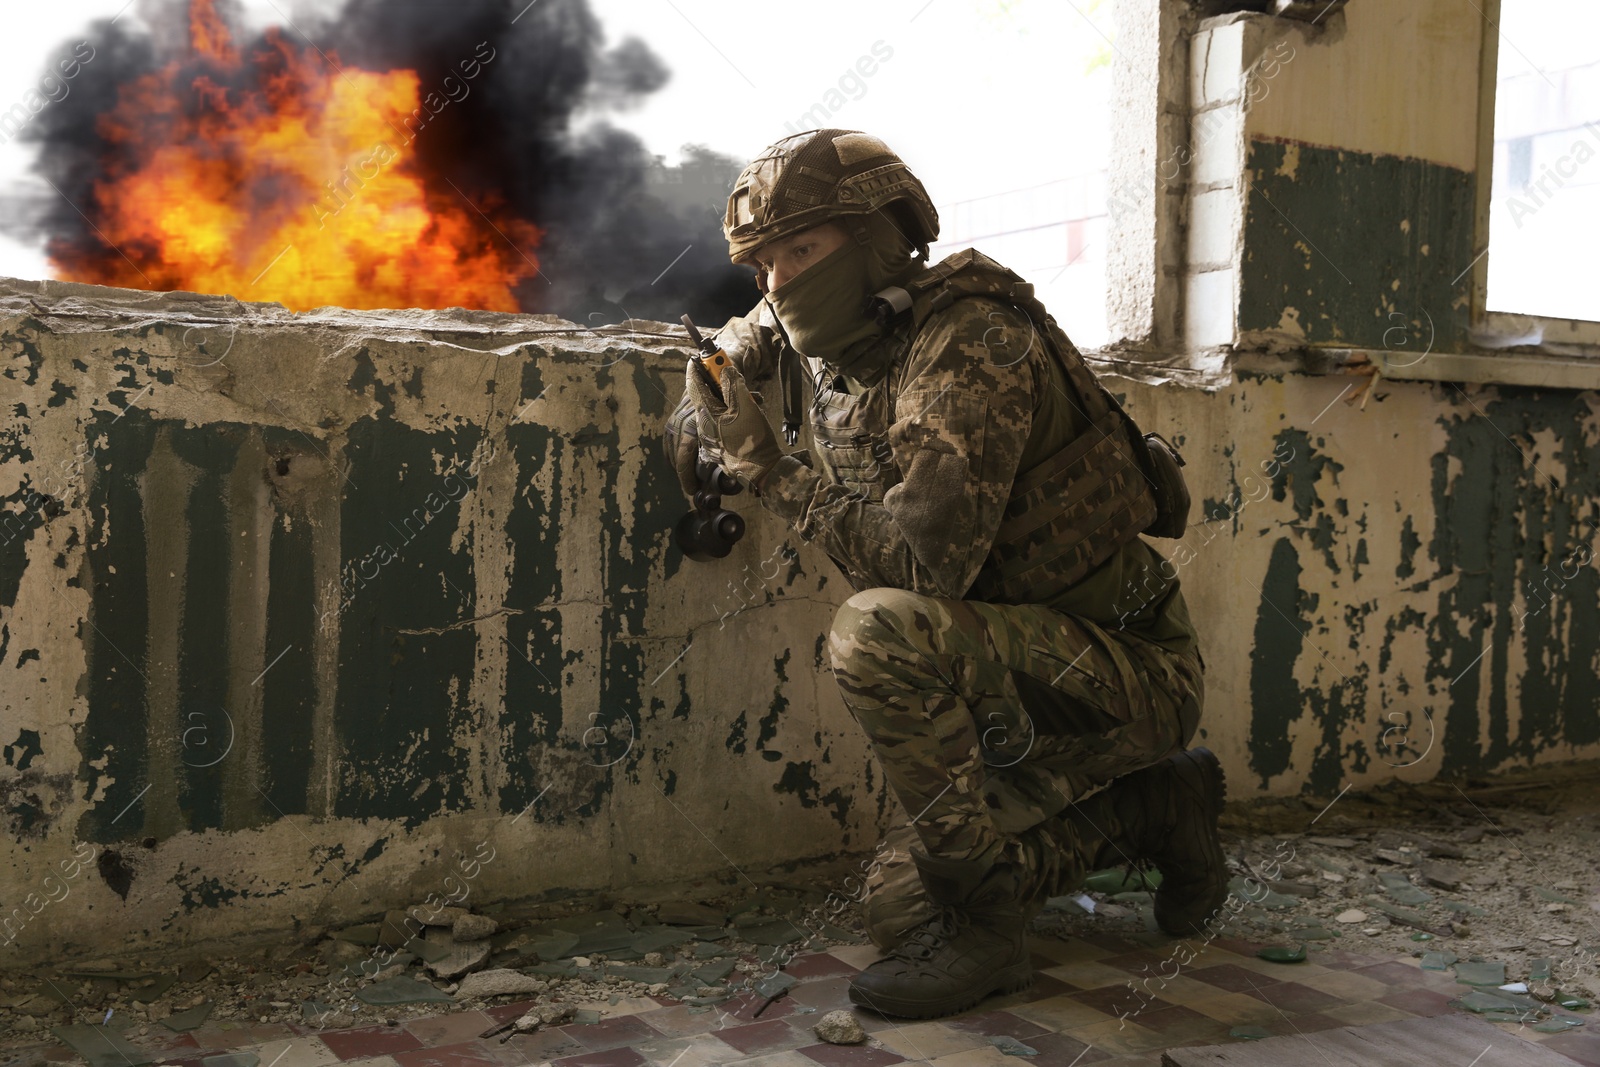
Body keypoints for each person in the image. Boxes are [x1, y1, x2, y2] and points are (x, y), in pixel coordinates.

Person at [665, 129, 1226, 1021]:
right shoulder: (853, 334)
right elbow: (761, 328)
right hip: (1011, 684)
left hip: (1122, 671)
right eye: (763, 264)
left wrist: (772, 470)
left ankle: (989, 930)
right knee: (899, 908)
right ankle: (1160, 808)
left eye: (801, 251)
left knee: (876, 628)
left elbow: (934, 566)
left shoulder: (969, 343)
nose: (780, 283)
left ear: (879, 239)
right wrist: (726, 368)